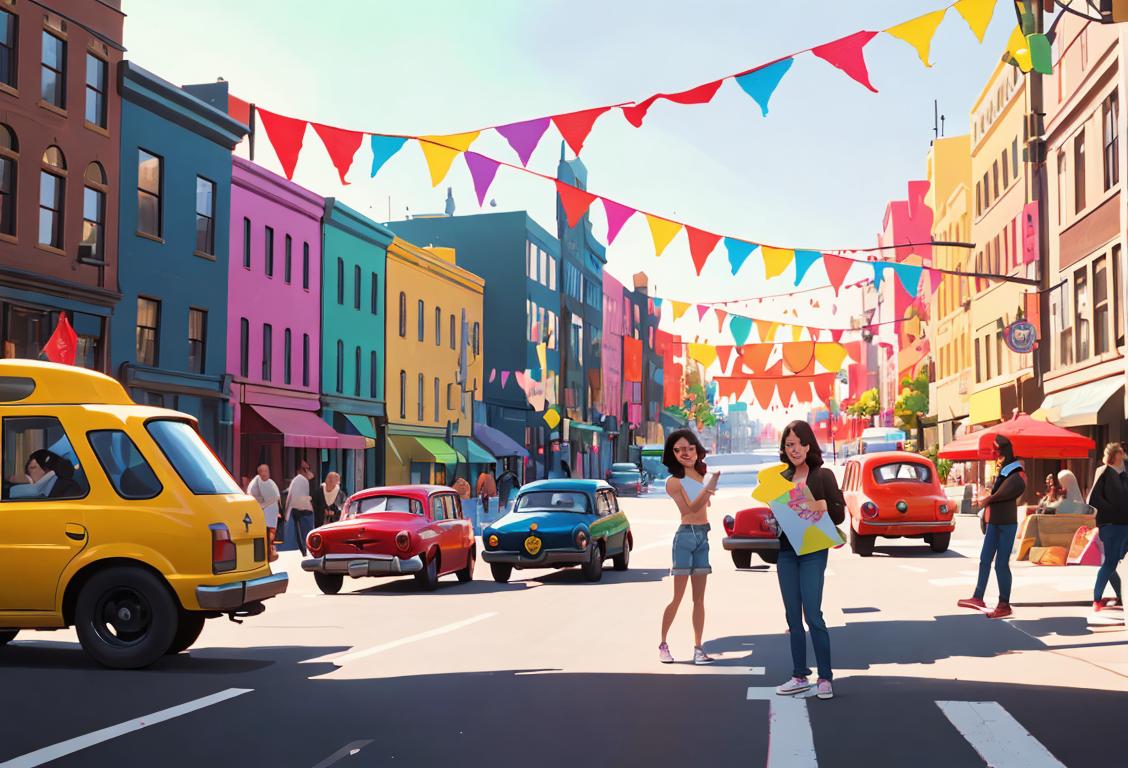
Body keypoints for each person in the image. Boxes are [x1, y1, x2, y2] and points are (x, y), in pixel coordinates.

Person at [773, 420, 844, 701]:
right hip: (786, 552)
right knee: (792, 617)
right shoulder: (781, 478)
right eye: (789, 444)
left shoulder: (823, 475)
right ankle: (799, 675)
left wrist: (817, 505)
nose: (795, 449)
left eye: (800, 443)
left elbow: (838, 515)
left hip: (813, 551)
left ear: (809, 444)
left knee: (813, 614)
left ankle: (825, 677)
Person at [658, 428, 720, 666]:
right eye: (679, 449)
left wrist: (707, 486)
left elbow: (704, 507)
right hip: (685, 538)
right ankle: (663, 643)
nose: (686, 453)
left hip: (703, 535)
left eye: (690, 448)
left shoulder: (699, 476)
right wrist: (710, 486)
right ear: (672, 453)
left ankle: (698, 647)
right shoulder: (673, 482)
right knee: (678, 597)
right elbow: (690, 509)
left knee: (699, 599)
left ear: (697, 450)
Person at [959, 435, 1026, 619]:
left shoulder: (1015, 469)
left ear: (1003, 450)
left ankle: (1004, 604)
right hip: (995, 521)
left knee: (1001, 564)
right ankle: (978, 597)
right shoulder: (1005, 468)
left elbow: (1017, 486)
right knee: (985, 559)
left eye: (996, 449)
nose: (993, 452)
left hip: (1006, 523)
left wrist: (990, 498)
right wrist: (988, 499)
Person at [1088, 443, 1128, 613]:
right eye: (1118, 455)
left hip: (1123, 524)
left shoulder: (1125, 473)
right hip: (1111, 525)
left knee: (1112, 562)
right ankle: (1097, 598)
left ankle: (1120, 594)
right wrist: (1113, 509)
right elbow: (1093, 499)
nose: (1121, 458)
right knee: (1111, 562)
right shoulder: (1103, 471)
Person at [246, 464, 281, 561]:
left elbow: (277, 497)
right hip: (260, 514)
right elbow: (250, 496)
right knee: (263, 535)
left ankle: (269, 552)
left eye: (267, 471)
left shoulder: (271, 483)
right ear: (259, 472)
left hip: (271, 514)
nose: (266, 473)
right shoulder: (254, 483)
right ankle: (265, 554)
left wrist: (278, 510)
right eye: (263, 471)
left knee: (270, 534)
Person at [285, 460, 316, 556]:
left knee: (305, 532)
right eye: (304, 468)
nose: (306, 470)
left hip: (306, 509)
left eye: (307, 468)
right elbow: (290, 495)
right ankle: (303, 551)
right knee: (298, 533)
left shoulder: (309, 480)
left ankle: (305, 550)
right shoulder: (297, 480)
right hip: (298, 509)